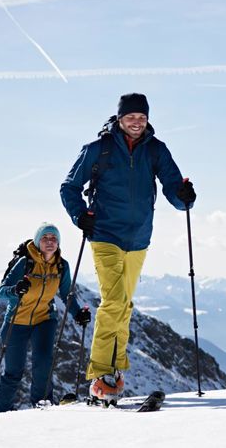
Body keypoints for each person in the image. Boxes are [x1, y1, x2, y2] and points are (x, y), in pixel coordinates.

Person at [60, 93, 196, 399]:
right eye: (131, 117)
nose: (136, 123)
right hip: (105, 234)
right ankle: (100, 375)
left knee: (125, 305)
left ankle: (115, 369)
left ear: (147, 120)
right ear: (120, 119)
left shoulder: (156, 150)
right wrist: (80, 215)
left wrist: (184, 197)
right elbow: (69, 187)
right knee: (114, 301)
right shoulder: (99, 149)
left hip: (138, 239)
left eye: (142, 118)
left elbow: (173, 186)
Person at [0, 222, 91, 413]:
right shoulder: (25, 263)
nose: (50, 242)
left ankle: (42, 408)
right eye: (45, 238)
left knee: (43, 365)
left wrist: (78, 313)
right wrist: (15, 289)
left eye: (54, 238)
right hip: (16, 321)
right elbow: (2, 292)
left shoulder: (61, 266)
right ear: (37, 242)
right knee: (13, 372)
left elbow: (67, 294)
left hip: (44, 319)